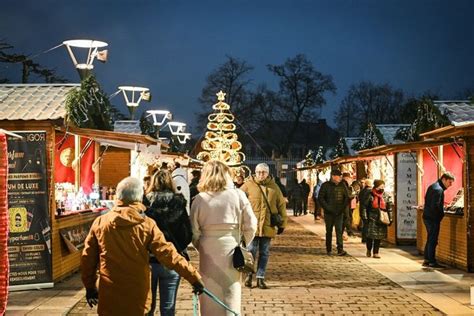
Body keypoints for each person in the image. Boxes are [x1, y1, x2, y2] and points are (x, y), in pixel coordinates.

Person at [81, 176, 204, 316]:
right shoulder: (146, 225)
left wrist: (90, 287)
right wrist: (193, 277)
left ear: (118, 196)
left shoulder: (101, 223)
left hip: (109, 292)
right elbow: (168, 254)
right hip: (137, 293)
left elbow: (88, 260)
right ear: (139, 198)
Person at [191, 161, 257, 315]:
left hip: (207, 250)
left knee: (209, 290)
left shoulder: (200, 199)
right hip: (232, 248)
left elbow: (193, 231)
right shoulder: (238, 195)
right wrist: (243, 242)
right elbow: (251, 224)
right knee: (230, 290)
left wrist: (200, 245)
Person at [144, 170, 192, 316]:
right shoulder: (178, 203)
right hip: (171, 259)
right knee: (168, 308)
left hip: (148, 260)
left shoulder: (144, 203)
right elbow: (187, 234)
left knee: (147, 307)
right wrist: (177, 248)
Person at [240, 163, 287, 289]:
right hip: (252, 227)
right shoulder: (248, 186)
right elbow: (238, 203)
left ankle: (261, 277)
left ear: (268, 173)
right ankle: (249, 276)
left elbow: (281, 206)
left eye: (264, 172)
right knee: (251, 252)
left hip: (268, 226)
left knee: (264, 253)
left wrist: (283, 224)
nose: (261, 174)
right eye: (259, 172)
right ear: (255, 172)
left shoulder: (274, 187)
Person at [422, 172, 455, 268]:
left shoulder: (433, 186)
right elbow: (435, 206)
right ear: (444, 179)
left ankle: (427, 259)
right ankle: (432, 261)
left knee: (430, 238)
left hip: (427, 216)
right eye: (450, 182)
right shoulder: (438, 190)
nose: (450, 185)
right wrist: (441, 214)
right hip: (433, 218)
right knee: (433, 239)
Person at [318, 169, 350, 256]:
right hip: (329, 213)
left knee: (339, 230)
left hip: (339, 212)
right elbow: (321, 198)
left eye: (340, 176)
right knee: (329, 231)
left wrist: (342, 208)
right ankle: (329, 249)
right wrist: (327, 208)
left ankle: (340, 249)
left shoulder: (343, 185)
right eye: (338, 176)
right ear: (333, 176)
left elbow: (347, 197)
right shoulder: (325, 185)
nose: (340, 178)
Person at [360, 179, 393, 258]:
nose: (382, 188)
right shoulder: (370, 194)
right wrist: (364, 217)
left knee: (378, 236)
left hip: (381, 218)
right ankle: (369, 249)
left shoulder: (386, 195)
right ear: (376, 186)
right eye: (380, 186)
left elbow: (389, 208)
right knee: (370, 236)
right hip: (371, 217)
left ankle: (376, 252)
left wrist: (390, 218)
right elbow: (364, 206)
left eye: (383, 186)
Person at [341, 172, 355, 237]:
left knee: (346, 218)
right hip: (345, 204)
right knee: (347, 217)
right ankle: (349, 232)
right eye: (349, 178)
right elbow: (348, 195)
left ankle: (341, 232)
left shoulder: (344, 184)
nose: (350, 180)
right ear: (347, 178)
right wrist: (354, 195)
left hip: (345, 204)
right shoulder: (344, 184)